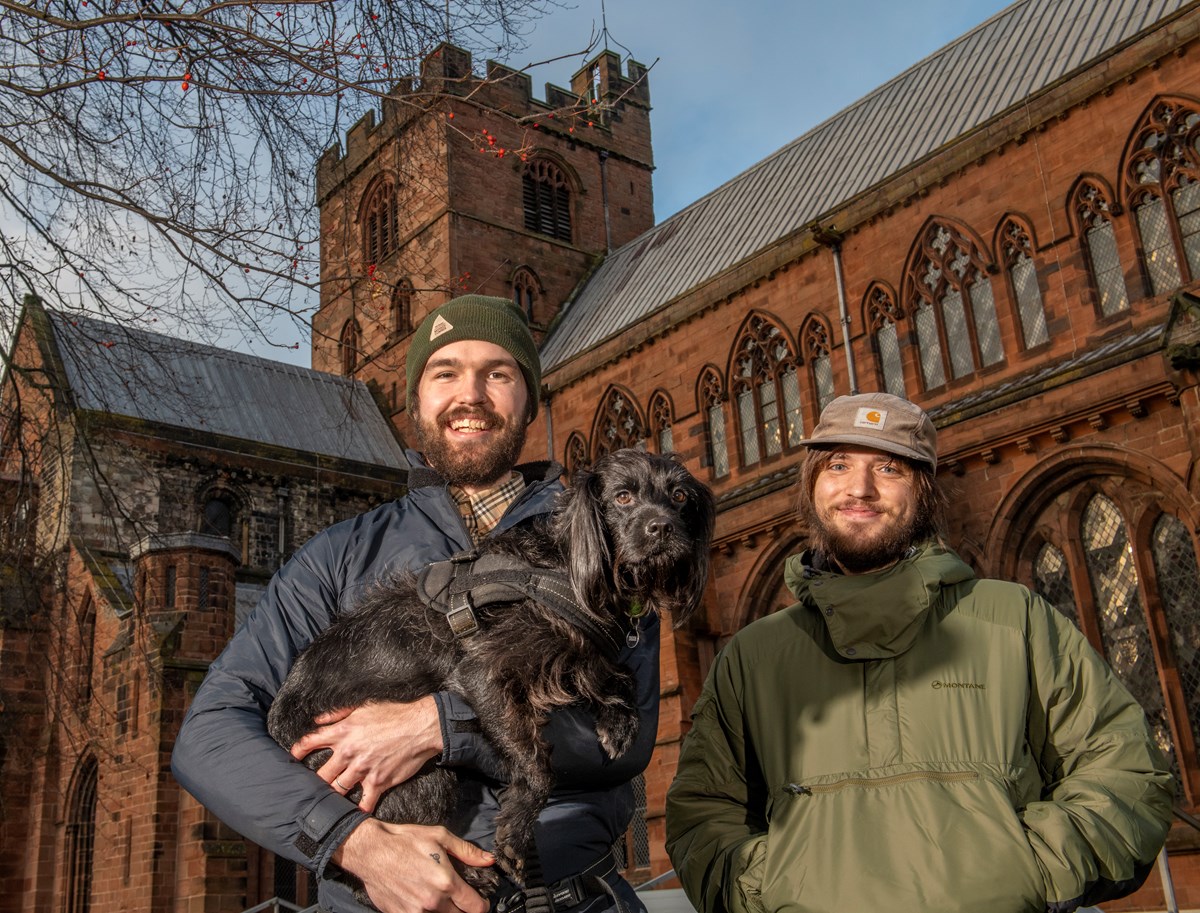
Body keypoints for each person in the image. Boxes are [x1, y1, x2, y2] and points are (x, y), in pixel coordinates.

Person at [172, 295, 660, 913]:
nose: (472, 395)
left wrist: (439, 725)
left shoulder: (608, 543)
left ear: (529, 400)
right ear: (415, 402)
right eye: (446, 372)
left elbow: (626, 735)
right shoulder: (337, 556)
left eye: (498, 374)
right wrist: (355, 842)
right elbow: (209, 735)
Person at [664, 392, 1174, 913]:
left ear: (925, 493)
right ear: (813, 485)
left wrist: (1027, 870)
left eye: (889, 468)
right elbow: (703, 812)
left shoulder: (1013, 619)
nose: (859, 488)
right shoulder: (755, 655)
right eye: (838, 464)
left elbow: (1126, 771)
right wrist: (771, 889)